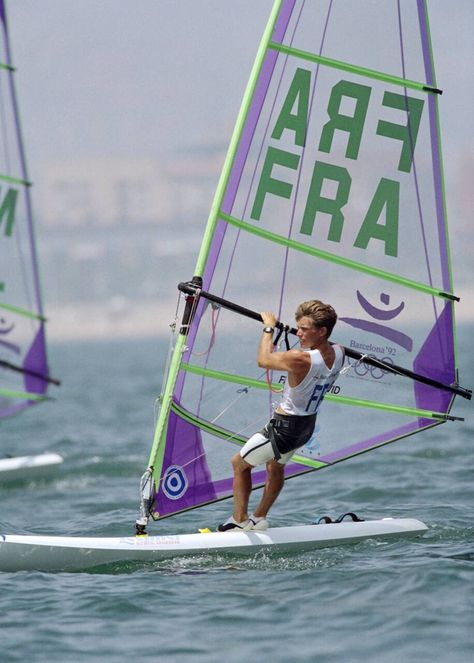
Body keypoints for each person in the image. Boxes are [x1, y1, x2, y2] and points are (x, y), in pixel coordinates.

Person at [218, 299, 345, 532]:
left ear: (323, 331)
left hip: (284, 428)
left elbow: (263, 360)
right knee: (275, 468)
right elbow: (325, 347)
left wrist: (269, 327)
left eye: (305, 329)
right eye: (298, 327)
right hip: (306, 427)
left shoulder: (301, 358)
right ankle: (259, 518)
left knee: (239, 464)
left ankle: (239, 521)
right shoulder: (339, 353)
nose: (299, 333)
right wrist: (311, 338)